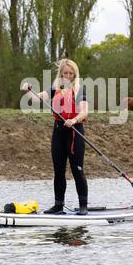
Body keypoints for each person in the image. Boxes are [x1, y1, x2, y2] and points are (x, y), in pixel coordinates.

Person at [22, 59, 88, 215]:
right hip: (58, 132)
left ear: (74, 74)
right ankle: (58, 206)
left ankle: (83, 205)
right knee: (58, 171)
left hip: (74, 131)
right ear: (61, 73)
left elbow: (85, 111)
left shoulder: (79, 89)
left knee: (77, 170)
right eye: (65, 73)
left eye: (71, 73)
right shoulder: (55, 88)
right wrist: (28, 91)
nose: (68, 76)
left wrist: (74, 120)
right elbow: (36, 99)